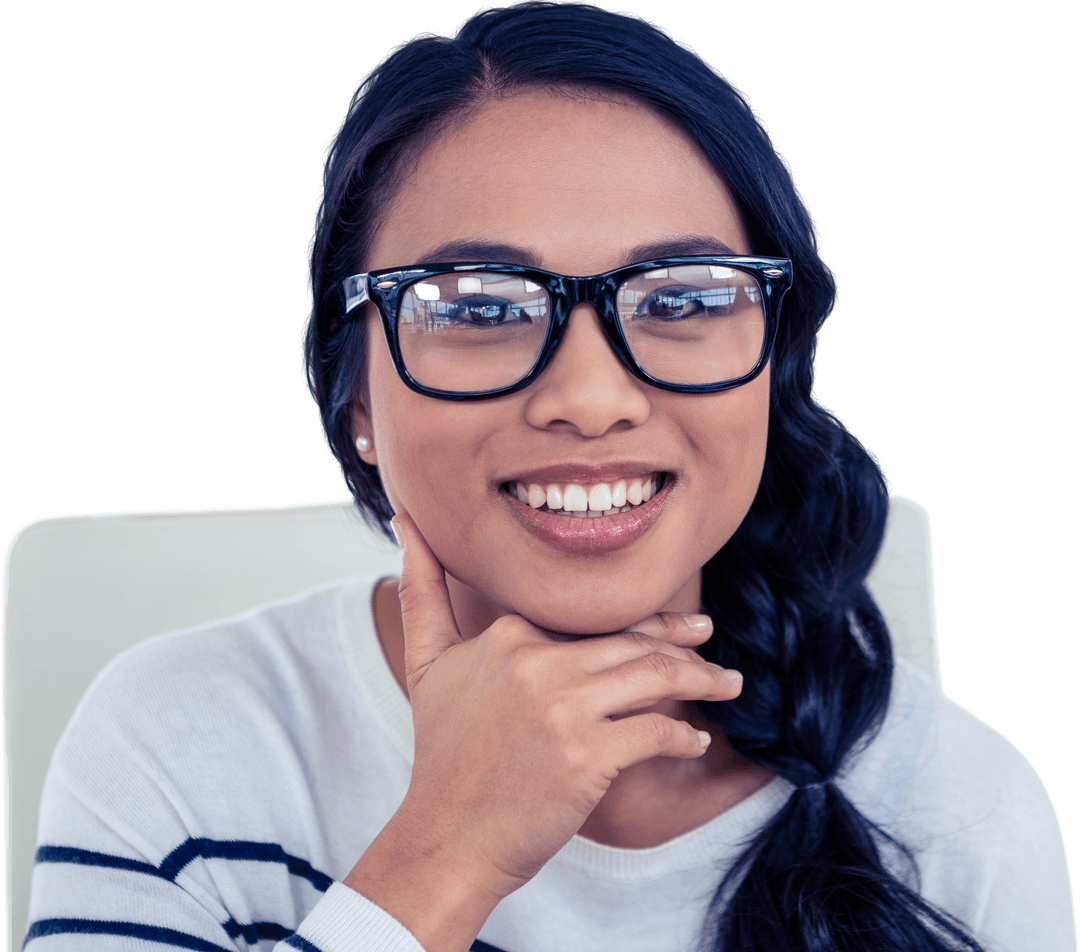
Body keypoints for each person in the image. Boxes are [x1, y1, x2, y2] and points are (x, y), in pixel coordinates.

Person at [24, 2, 1075, 951]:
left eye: (682, 297)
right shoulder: (185, 737)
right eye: (479, 305)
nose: (591, 395)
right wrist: (446, 855)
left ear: (773, 367)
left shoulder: (955, 811)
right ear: (357, 404)